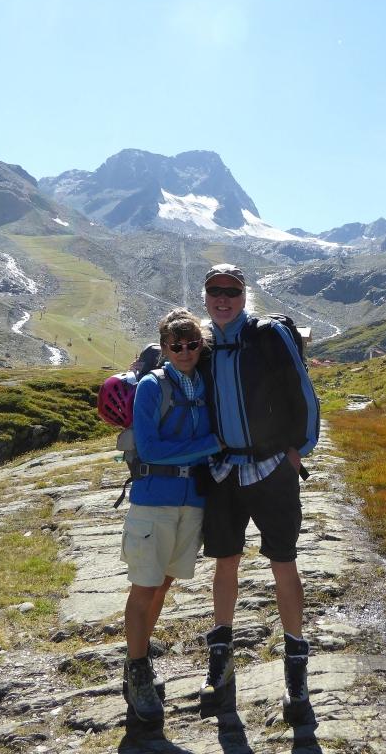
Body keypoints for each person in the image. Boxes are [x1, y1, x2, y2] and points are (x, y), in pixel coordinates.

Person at [198, 263, 320, 720]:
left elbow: (303, 392)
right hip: (224, 471)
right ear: (205, 296)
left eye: (231, 291)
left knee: (283, 562)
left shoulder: (269, 335)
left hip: (272, 468)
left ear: (244, 295)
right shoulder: (203, 343)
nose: (222, 298)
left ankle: (295, 674)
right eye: (215, 290)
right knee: (225, 562)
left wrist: (298, 450)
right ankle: (220, 664)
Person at [120, 308, 221, 722]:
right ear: (164, 347)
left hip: (191, 501)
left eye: (192, 344)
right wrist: (212, 444)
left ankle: (140, 660)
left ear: (200, 346)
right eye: (176, 345)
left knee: (162, 585)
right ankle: (137, 672)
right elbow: (151, 449)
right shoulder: (151, 385)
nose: (184, 351)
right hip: (153, 501)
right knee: (144, 588)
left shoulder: (205, 383)